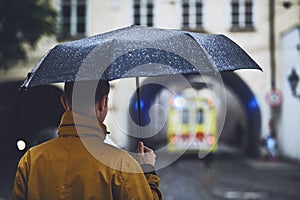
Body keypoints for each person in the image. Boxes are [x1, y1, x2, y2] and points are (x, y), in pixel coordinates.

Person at [12, 80, 162, 200]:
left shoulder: (30, 160)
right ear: (103, 103)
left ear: (64, 103)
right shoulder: (122, 165)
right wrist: (148, 171)